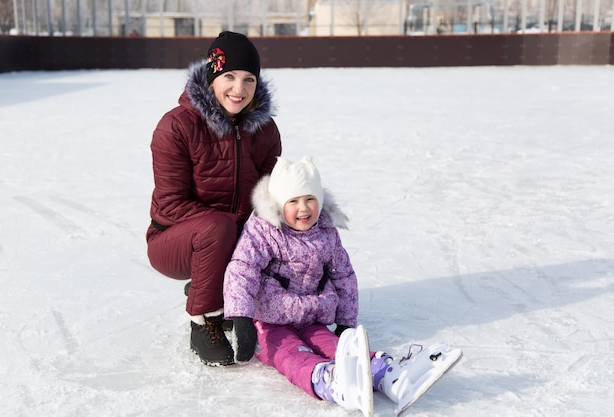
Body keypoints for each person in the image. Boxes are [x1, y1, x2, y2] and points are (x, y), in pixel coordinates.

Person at [223, 156, 462, 414]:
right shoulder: (265, 231)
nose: (303, 209)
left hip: (312, 317)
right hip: (269, 322)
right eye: (293, 201)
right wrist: (241, 319)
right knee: (291, 353)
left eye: (310, 199)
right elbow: (242, 270)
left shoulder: (326, 232)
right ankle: (328, 380)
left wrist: (346, 322)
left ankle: (389, 376)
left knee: (337, 348)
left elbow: (343, 275)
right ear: (280, 205)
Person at [146, 31, 282, 367]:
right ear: (212, 76)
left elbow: (269, 195)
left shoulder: (265, 130)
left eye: (249, 79)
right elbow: (171, 204)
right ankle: (203, 320)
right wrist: (236, 229)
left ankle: (221, 289)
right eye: (230, 77)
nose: (239, 89)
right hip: (172, 240)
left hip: (230, 235)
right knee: (219, 228)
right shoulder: (175, 127)